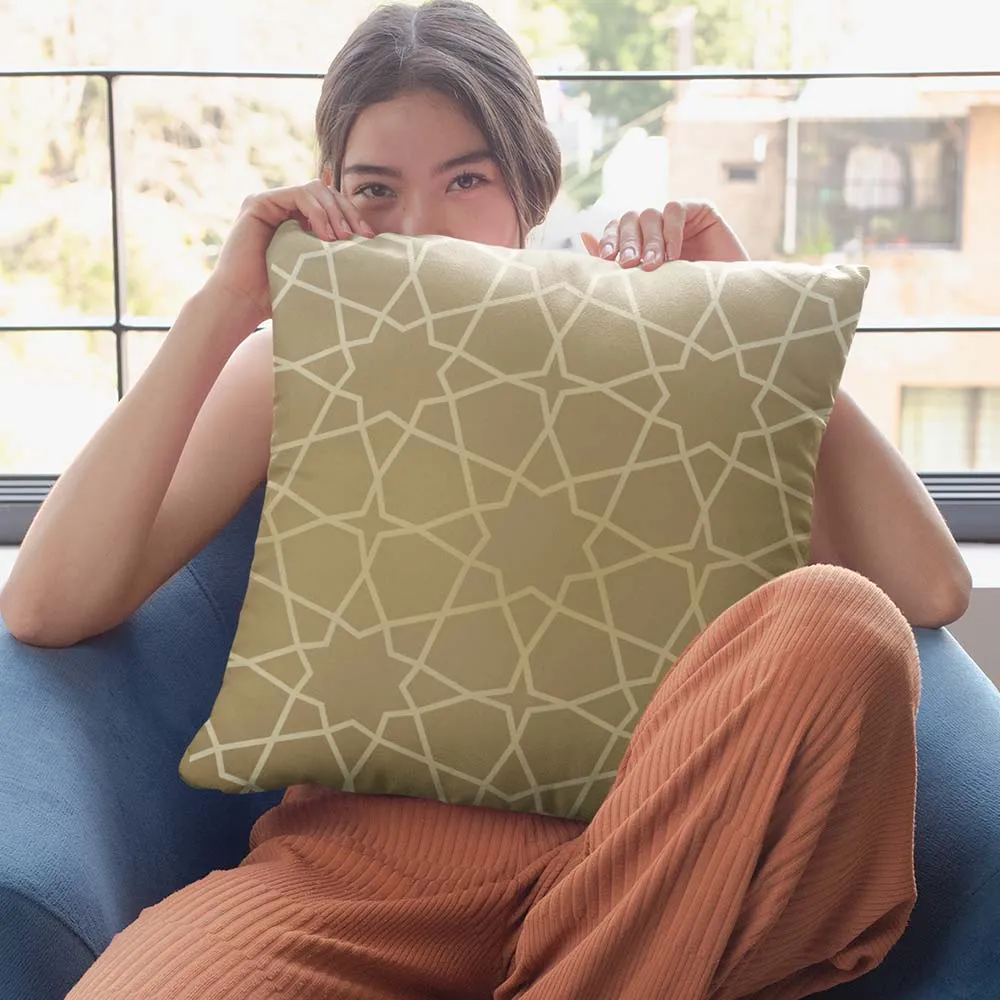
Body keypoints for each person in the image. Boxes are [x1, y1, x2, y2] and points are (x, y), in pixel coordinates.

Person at [0, 2, 972, 997]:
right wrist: (222, 308)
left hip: (637, 877)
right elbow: (46, 603)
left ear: (531, 190)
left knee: (842, 619)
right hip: (344, 887)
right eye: (373, 190)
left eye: (464, 179)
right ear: (327, 199)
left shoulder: (661, 338)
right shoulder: (301, 353)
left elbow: (926, 586)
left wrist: (742, 315)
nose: (415, 227)